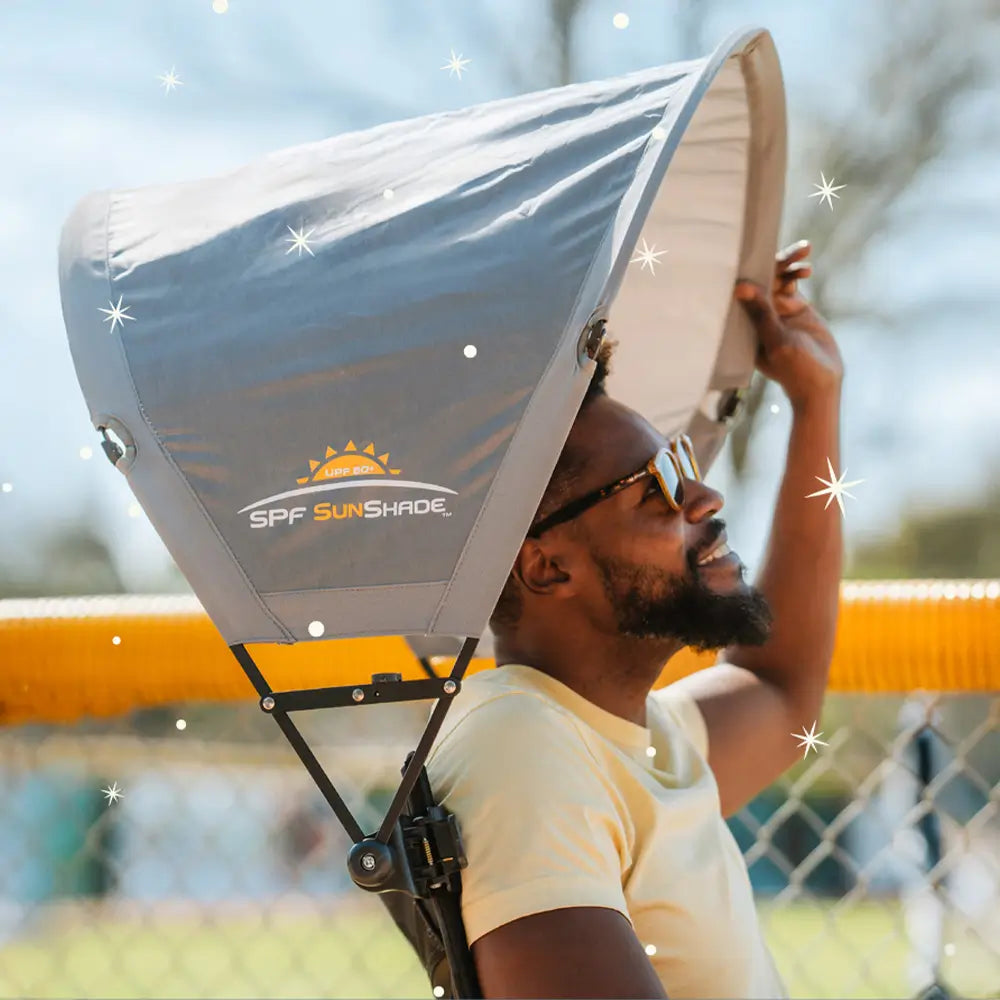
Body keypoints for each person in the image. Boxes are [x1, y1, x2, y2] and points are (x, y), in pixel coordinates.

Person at [424, 239, 845, 999]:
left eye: (682, 462)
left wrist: (815, 402)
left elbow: (781, 685)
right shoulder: (523, 748)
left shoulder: (633, 736)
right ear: (546, 566)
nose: (704, 498)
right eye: (655, 486)